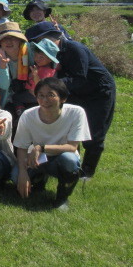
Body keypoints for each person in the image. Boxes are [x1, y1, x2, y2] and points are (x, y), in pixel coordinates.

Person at [25, 22, 116, 179]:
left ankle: (87, 171)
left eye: (40, 40)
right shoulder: (49, 52)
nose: (39, 46)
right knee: (71, 127)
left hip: (99, 91)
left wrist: (51, 82)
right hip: (74, 91)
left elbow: (79, 77)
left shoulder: (74, 49)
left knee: (95, 131)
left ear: (52, 37)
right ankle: (72, 162)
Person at [13, 77, 91, 210]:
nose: (45, 100)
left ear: (63, 98)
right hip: (37, 159)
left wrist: (41, 148)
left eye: (51, 95)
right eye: (41, 96)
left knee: (70, 161)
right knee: (14, 177)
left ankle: (62, 198)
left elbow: (72, 147)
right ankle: (39, 179)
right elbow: (21, 147)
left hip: (61, 157)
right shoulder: (28, 115)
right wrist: (22, 173)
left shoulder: (76, 113)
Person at [0, 22, 31, 112]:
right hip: (8, 98)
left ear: (19, 40)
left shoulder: (29, 50)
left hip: (29, 92)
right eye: (4, 39)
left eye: (13, 38)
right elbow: (3, 85)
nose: (8, 42)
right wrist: (3, 67)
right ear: (0, 42)